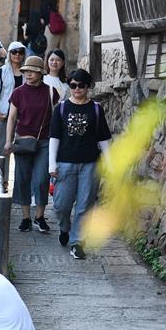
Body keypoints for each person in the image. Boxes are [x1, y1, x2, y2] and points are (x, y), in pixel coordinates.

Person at [49, 68, 112, 260]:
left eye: (81, 86)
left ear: (88, 87)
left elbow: (103, 138)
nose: (76, 89)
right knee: (61, 204)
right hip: (65, 162)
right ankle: (64, 227)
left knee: (85, 204)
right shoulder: (61, 108)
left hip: (90, 163)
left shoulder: (95, 109)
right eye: (73, 85)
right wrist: (51, 164)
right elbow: (54, 137)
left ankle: (78, 242)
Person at [4, 55, 59, 234]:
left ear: (40, 73)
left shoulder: (51, 92)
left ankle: (39, 217)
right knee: (22, 179)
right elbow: (11, 118)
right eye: (26, 71)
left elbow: (57, 119)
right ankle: (26, 218)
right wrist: (7, 141)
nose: (28, 74)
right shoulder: (18, 92)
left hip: (44, 142)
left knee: (42, 180)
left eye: (32, 71)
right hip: (22, 141)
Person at [0, 41, 26, 183]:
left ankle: (19, 184)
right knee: (2, 149)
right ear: (9, 54)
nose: (17, 55)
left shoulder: (26, 72)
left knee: (21, 151)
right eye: (14, 52)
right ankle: (2, 181)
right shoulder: (1, 71)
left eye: (20, 52)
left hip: (22, 116)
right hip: (5, 115)